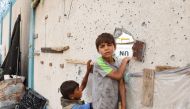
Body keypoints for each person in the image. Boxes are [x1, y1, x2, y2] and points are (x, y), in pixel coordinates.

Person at [92, 33, 130, 109]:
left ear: (114, 47)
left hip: (113, 103)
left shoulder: (117, 62)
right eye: (102, 46)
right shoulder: (99, 63)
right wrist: (124, 61)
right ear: (98, 50)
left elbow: (121, 84)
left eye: (109, 45)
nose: (106, 48)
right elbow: (118, 75)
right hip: (101, 104)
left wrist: (123, 106)